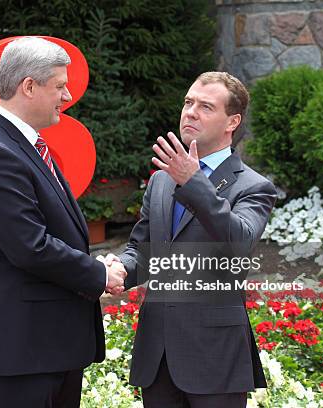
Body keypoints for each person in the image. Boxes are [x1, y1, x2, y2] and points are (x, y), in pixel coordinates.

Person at [0, 37, 127, 408]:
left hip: (45, 348)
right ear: (28, 86)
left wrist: (96, 265)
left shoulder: (21, 146)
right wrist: (99, 275)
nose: (67, 97)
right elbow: (29, 246)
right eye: (60, 86)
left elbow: (48, 236)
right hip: (20, 352)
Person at [105, 72, 277, 408]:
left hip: (214, 356)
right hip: (157, 355)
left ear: (233, 121)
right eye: (188, 102)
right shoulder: (161, 181)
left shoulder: (254, 187)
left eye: (206, 106)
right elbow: (144, 252)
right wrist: (121, 270)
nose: (191, 112)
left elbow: (238, 243)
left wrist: (194, 181)